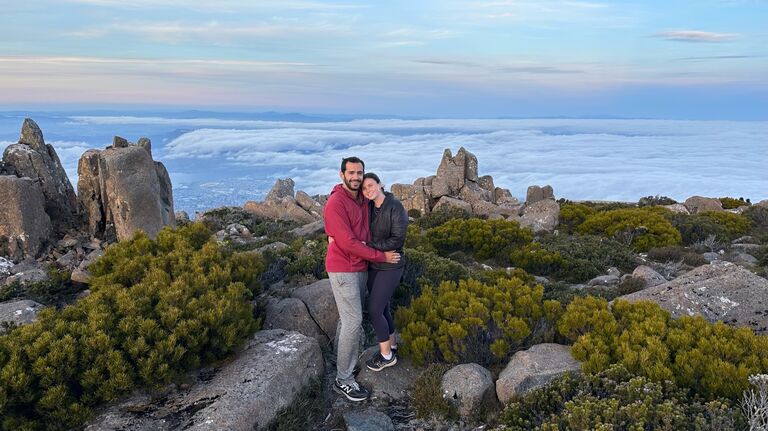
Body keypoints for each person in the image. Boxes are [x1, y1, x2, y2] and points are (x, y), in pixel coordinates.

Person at [324, 156, 400, 402]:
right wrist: (381, 256)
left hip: (361, 266)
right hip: (343, 268)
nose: (356, 177)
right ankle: (343, 380)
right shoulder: (336, 202)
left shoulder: (361, 199)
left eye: (360, 173)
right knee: (353, 320)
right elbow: (347, 242)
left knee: (348, 320)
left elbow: (379, 208)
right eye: (351, 173)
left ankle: (341, 362)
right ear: (342, 174)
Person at [360, 172, 408, 372]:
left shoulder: (395, 207)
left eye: (371, 185)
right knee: (384, 307)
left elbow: (397, 240)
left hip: (391, 264)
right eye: (364, 188)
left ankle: (386, 356)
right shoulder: (369, 207)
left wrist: (369, 245)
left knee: (374, 310)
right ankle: (392, 345)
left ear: (380, 185)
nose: (368, 190)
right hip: (375, 264)